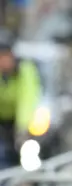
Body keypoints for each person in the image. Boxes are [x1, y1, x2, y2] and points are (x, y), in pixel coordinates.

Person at [0, 29, 41, 169]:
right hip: (2, 121)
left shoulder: (25, 70)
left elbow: (27, 99)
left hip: (19, 125)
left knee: (26, 156)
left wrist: (22, 128)